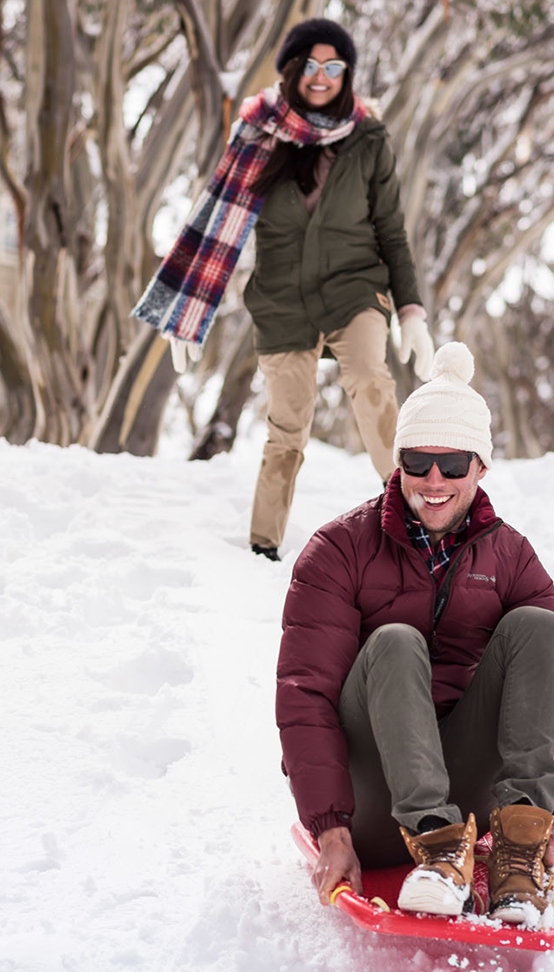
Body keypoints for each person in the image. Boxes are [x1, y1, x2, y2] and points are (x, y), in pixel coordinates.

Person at [275, 341, 554, 922]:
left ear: (481, 467)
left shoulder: (510, 556)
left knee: (538, 628)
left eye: (453, 464)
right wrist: (330, 829)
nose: (434, 479)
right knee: (395, 641)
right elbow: (305, 697)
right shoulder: (338, 550)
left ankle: (518, 856)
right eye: (418, 462)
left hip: (469, 797)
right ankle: (436, 847)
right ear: (399, 463)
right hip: (373, 802)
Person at [132, 18, 434, 563]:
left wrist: (410, 309)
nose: (322, 77)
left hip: (354, 288)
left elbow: (391, 229)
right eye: (311, 66)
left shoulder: (368, 137)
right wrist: (187, 313)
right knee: (287, 426)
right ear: (292, 70)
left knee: (371, 382)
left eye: (334, 67)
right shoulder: (257, 133)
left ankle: (419, 519)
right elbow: (217, 220)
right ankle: (262, 548)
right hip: (281, 299)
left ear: (347, 74)